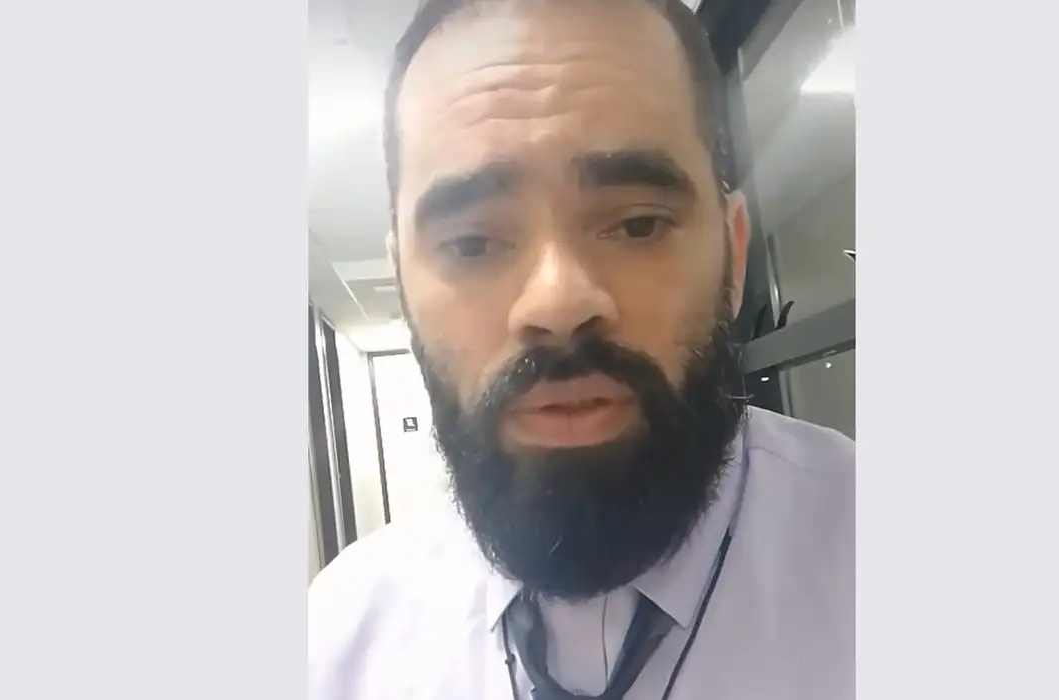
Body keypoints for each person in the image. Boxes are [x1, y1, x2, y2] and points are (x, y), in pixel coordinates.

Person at [308, 0, 855, 698]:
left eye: (637, 225)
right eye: (472, 243)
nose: (558, 303)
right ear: (403, 284)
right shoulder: (337, 644)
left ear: (735, 252)